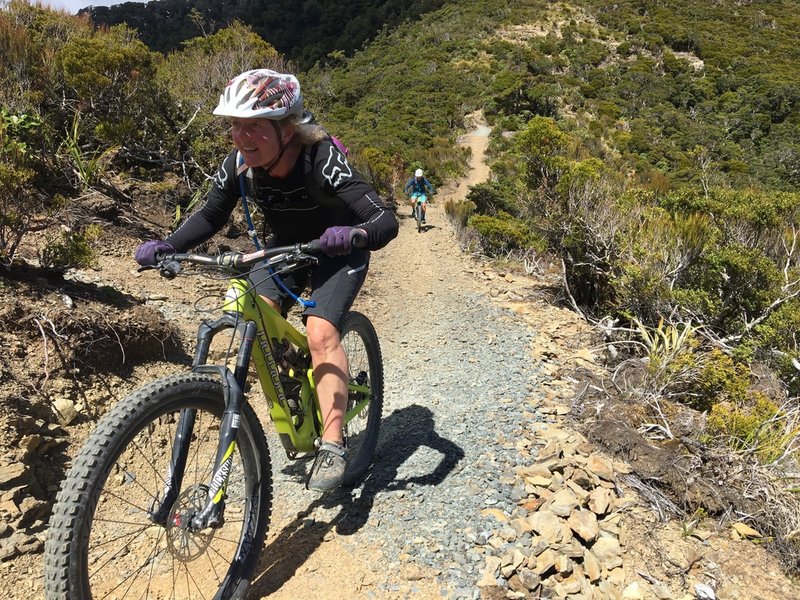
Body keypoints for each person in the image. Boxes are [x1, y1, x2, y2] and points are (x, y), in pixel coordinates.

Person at [134, 69, 398, 492]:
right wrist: (168, 244)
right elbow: (210, 215)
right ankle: (290, 376)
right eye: (235, 126)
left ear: (287, 130)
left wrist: (355, 233)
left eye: (254, 126)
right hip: (284, 248)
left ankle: (332, 443)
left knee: (319, 332)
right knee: (247, 310)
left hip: (337, 248)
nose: (241, 137)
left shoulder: (321, 157)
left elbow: (383, 218)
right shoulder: (239, 165)